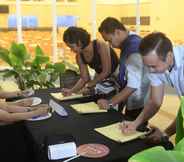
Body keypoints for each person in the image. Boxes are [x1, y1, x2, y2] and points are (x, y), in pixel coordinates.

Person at [120, 32, 184, 143]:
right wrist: (135, 124)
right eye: (147, 66)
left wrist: (166, 133)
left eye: (153, 66)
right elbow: (155, 102)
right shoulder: (154, 66)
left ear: (169, 56)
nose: (150, 71)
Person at [97, 17, 150, 120]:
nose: (110, 45)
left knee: (134, 129)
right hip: (132, 97)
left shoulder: (133, 47)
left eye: (109, 40)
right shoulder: (127, 44)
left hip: (139, 100)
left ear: (117, 32)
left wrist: (110, 103)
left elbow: (133, 85)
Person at [62, 26, 119, 96]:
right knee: (90, 95)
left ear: (79, 43)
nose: (71, 50)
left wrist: (89, 85)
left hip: (117, 74)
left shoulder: (100, 45)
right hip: (101, 76)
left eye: (71, 47)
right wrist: (71, 91)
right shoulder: (79, 56)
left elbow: (106, 71)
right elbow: (84, 78)